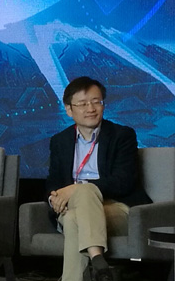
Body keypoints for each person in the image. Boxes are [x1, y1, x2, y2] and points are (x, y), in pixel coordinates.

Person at [46, 76, 151, 281]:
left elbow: (123, 181)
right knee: (75, 211)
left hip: (115, 206)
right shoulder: (59, 141)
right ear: (69, 110)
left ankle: (93, 263)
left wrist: (78, 188)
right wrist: (53, 198)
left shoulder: (122, 135)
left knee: (76, 213)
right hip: (72, 207)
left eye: (96, 102)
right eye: (83, 104)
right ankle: (99, 263)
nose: (91, 109)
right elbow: (53, 182)